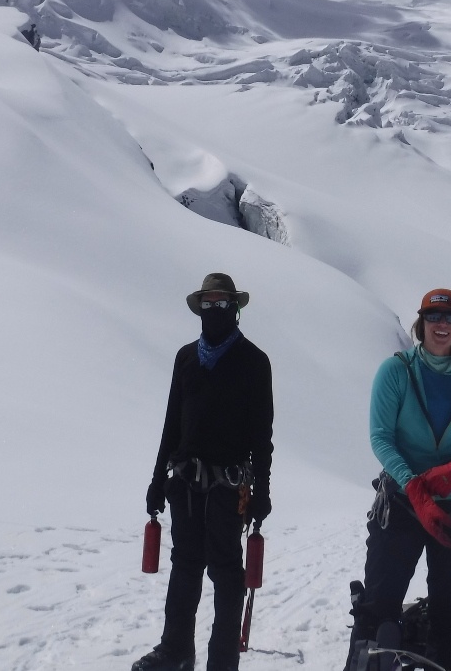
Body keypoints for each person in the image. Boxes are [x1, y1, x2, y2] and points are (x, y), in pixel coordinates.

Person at [348, 288, 451, 671]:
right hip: (401, 504)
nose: (442, 326)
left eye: (450, 319)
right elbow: (381, 437)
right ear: (421, 324)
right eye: (434, 318)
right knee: (378, 607)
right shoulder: (396, 371)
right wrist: (414, 485)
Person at [133, 273, 274, 671]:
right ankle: (175, 651)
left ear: (236, 308)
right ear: (200, 308)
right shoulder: (186, 357)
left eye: (222, 303)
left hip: (229, 488)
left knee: (227, 573)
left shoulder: (254, 362)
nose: (215, 310)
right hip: (184, 484)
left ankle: (222, 661)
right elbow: (171, 423)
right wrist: (157, 478)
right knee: (185, 565)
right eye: (208, 304)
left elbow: (261, 437)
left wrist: (261, 490)